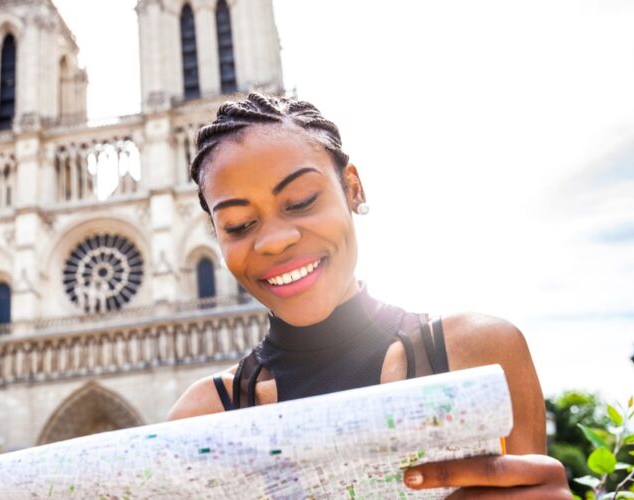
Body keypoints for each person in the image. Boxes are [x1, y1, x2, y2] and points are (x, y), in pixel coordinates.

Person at [167, 92, 571, 498]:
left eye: (302, 201)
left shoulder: (479, 353)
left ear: (353, 188)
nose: (275, 241)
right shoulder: (200, 416)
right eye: (238, 225)